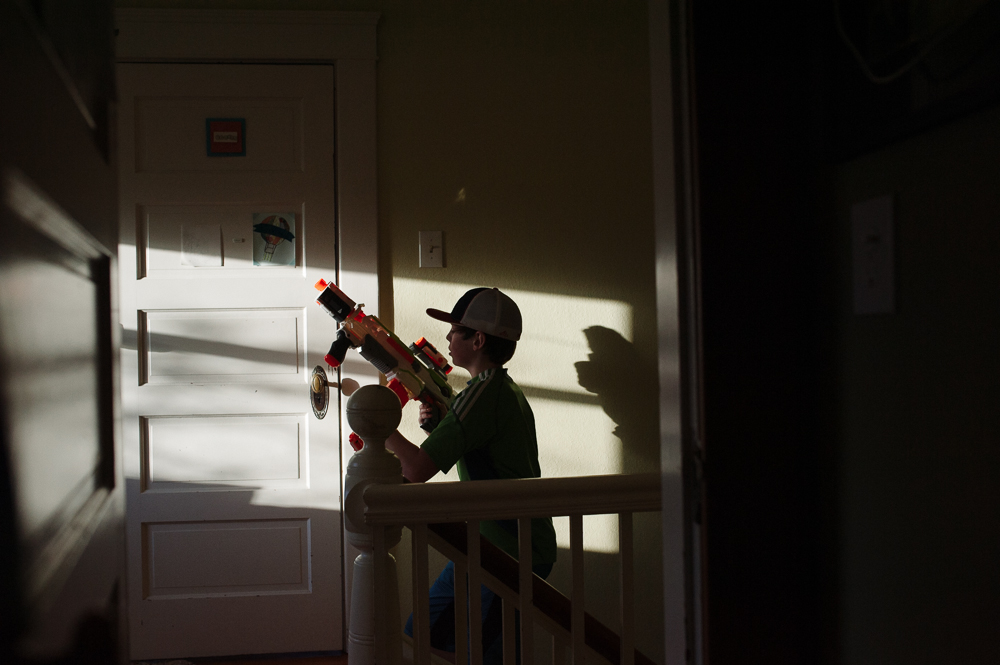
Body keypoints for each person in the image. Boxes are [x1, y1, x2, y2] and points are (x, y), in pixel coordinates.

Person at [385, 287, 557, 665]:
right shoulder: (492, 391)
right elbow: (477, 450)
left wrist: (379, 425)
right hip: (486, 543)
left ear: (478, 340)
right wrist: (439, 428)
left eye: (455, 330)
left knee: (484, 653)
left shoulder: (484, 392)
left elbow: (415, 471)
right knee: (423, 634)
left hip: (512, 550)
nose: (447, 337)